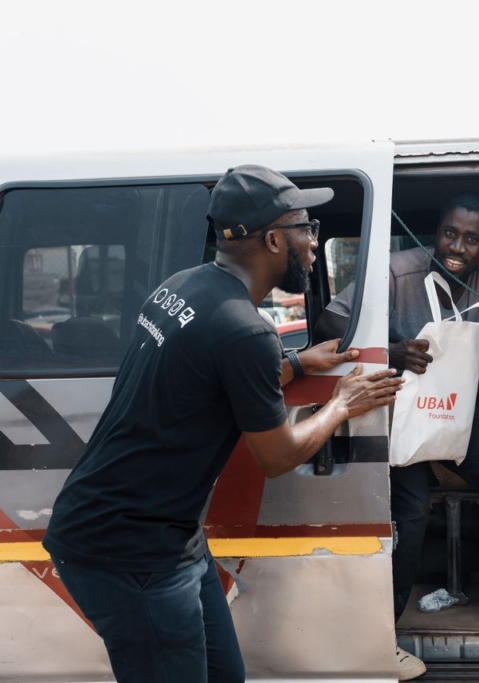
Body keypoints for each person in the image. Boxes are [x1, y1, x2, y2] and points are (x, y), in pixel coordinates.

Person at [42, 165, 404, 683]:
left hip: (168, 539)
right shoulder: (244, 330)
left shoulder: (184, 287)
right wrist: (341, 405)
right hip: (129, 553)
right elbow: (276, 456)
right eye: (308, 228)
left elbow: (206, 377)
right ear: (274, 239)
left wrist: (300, 365)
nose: (313, 244)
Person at [315, 191, 479, 681]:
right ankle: (377, 639)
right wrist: (391, 350)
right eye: (450, 233)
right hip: (389, 408)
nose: (457, 245)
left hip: (449, 409)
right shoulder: (396, 270)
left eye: (471, 239)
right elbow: (330, 322)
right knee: (409, 511)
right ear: (437, 231)